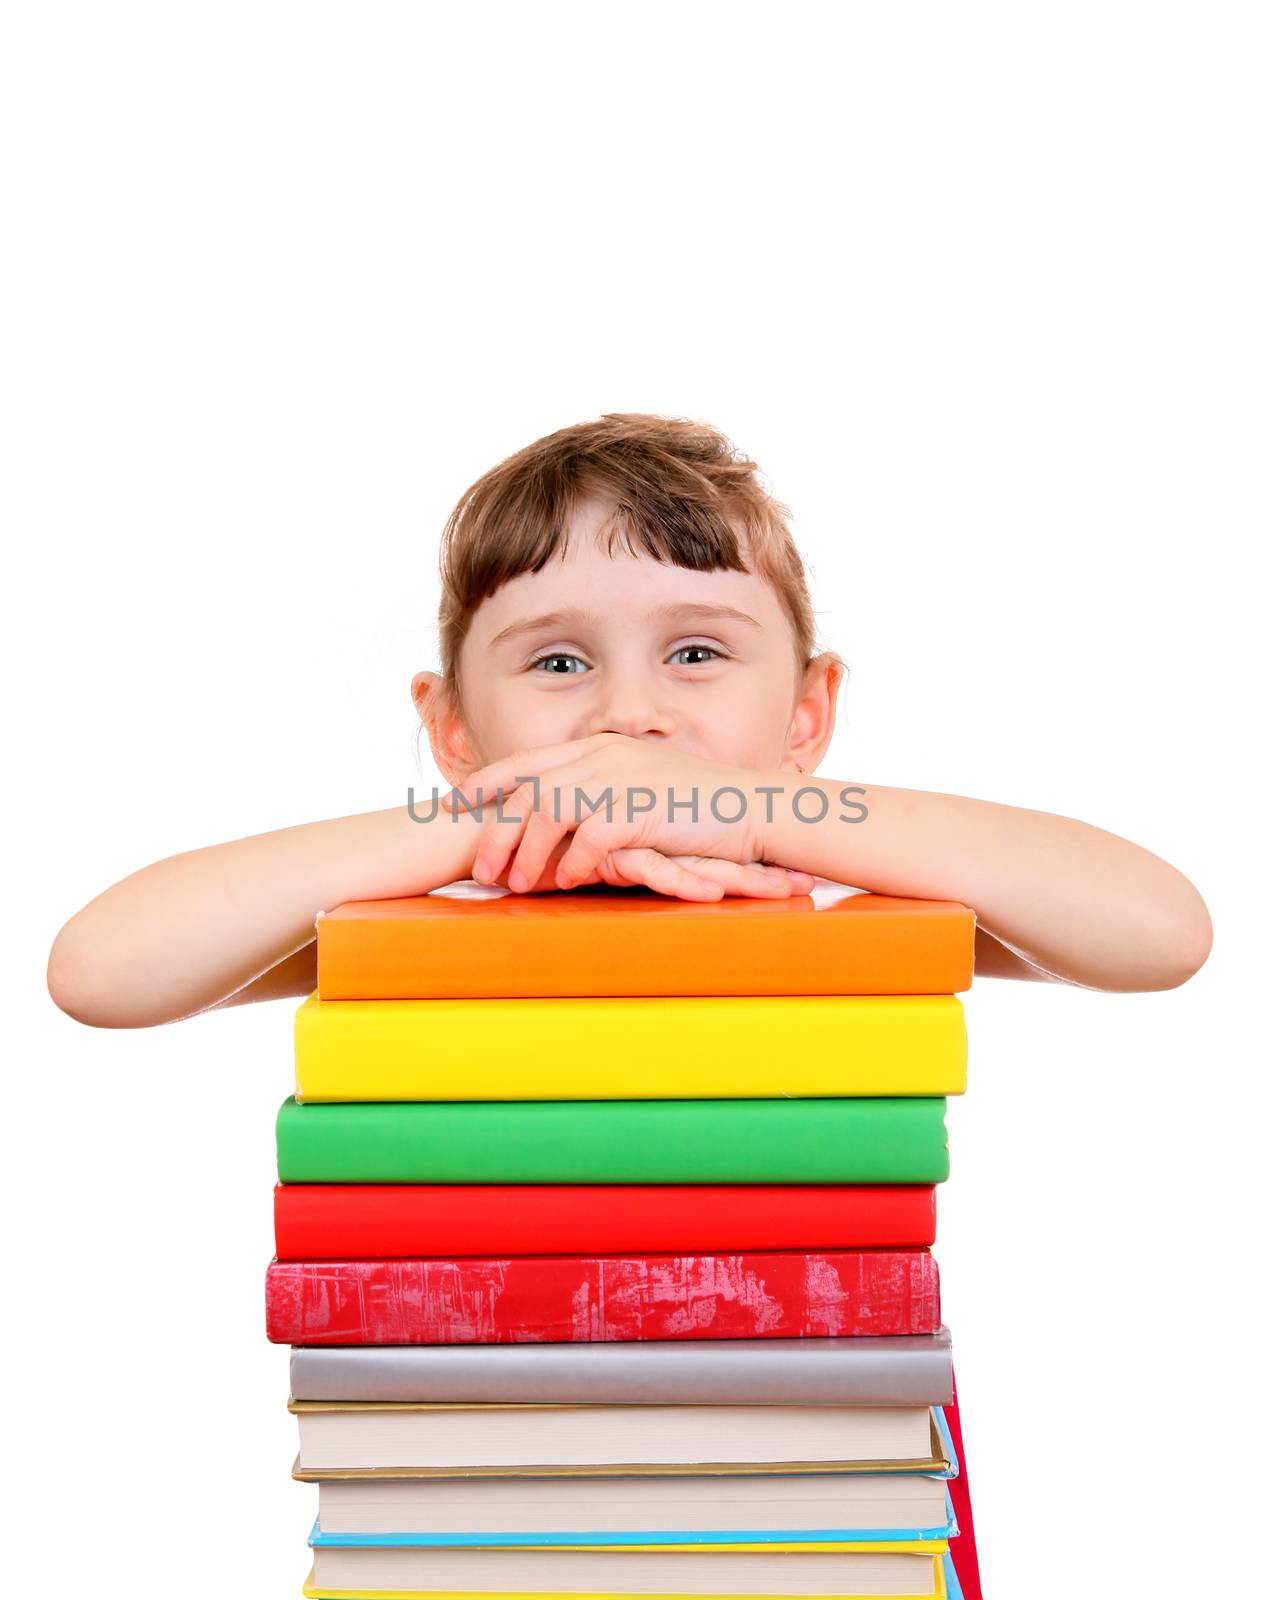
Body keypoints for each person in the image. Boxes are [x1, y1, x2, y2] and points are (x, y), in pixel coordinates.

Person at [46, 412, 1212, 1030]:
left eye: (696, 652)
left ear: (808, 712)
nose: (629, 715)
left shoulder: (842, 906)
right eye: (558, 660)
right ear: (454, 730)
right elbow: (101, 971)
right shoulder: (426, 918)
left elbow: (1159, 933)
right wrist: (473, 826)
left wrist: (760, 814)